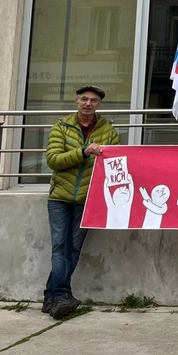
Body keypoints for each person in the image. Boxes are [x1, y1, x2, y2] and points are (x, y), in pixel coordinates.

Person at [44, 85, 121, 320]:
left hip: (88, 200)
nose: (88, 103)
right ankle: (61, 296)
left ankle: (51, 297)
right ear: (77, 102)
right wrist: (83, 152)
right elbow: (53, 160)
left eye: (93, 100)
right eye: (84, 99)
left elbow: (116, 161)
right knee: (60, 247)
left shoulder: (108, 131)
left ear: (99, 105)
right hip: (60, 198)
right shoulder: (62, 126)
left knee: (73, 249)